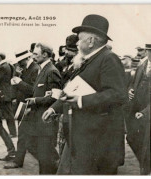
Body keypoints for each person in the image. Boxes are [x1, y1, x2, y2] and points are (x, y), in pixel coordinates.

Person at [43, 14, 127, 174]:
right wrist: (54, 108)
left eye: (79, 39)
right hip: (83, 137)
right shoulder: (88, 60)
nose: (77, 44)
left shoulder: (108, 59)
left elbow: (117, 94)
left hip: (98, 141)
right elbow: (72, 90)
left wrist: (81, 100)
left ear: (91, 41)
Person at [24, 43, 61, 174]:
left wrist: (35, 100)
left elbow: (56, 98)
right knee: (37, 150)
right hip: (38, 120)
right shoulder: (42, 69)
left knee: (45, 157)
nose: (33, 56)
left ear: (45, 55)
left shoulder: (52, 71)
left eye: (35, 54)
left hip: (46, 121)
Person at [4, 49, 40, 169]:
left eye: (20, 61)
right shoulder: (26, 69)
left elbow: (34, 91)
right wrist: (18, 76)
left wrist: (19, 82)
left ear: (26, 59)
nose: (18, 64)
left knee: (24, 136)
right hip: (23, 106)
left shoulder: (35, 69)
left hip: (29, 107)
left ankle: (19, 161)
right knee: (24, 136)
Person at [126, 44, 150, 175]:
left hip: (147, 113)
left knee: (147, 145)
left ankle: (146, 170)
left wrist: (145, 112)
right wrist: (129, 90)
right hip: (137, 111)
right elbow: (133, 83)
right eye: (149, 51)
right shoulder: (142, 65)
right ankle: (145, 166)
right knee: (131, 137)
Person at [0, 52, 17, 138]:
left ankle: (13, 132)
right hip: (8, 92)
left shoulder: (2, 67)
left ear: (0, 57)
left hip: (3, 93)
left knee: (8, 114)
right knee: (8, 113)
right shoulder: (9, 65)